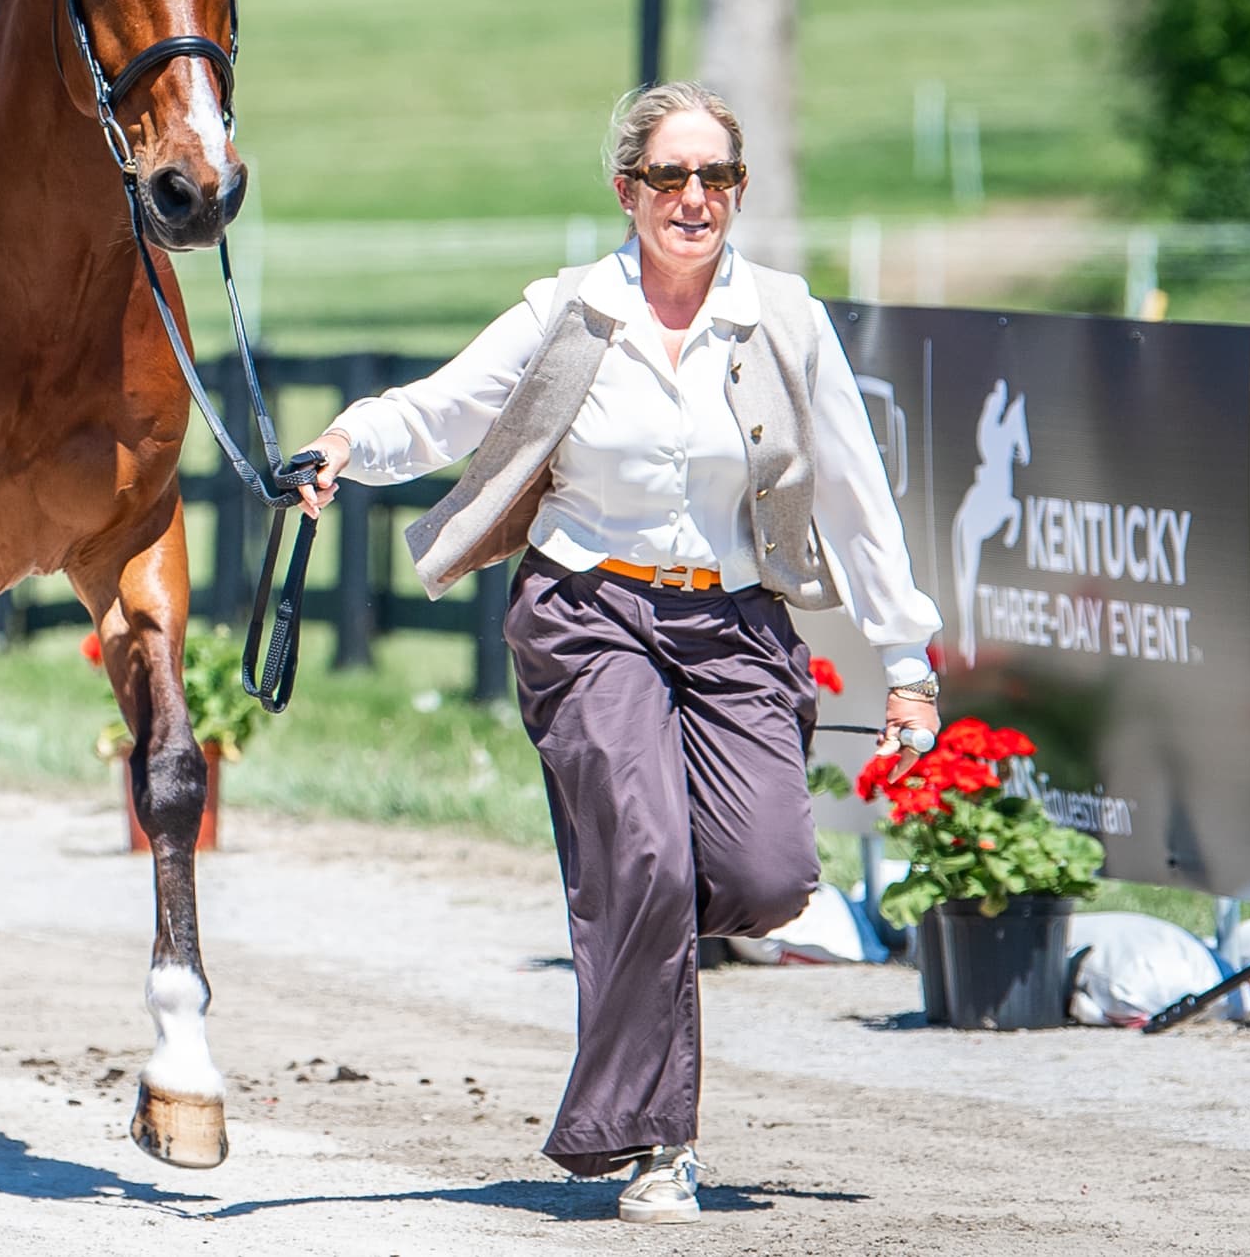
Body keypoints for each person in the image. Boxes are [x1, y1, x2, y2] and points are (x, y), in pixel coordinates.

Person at [294, 81, 944, 1226]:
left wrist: (906, 660)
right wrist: (343, 442)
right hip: (588, 612)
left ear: (737, 191)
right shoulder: (572, 310)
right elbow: (445, 410)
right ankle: (653, 1144)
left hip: (732, 623)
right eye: (668, 177)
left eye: (715, 178)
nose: (692, 198)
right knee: (642, 854)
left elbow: (853, 490)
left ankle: (632, 979)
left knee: (767, 876)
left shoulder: (784, 318)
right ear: (625, 189)